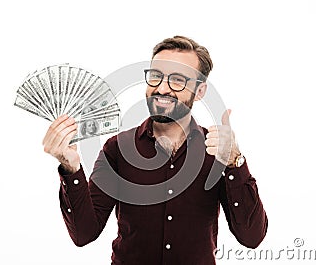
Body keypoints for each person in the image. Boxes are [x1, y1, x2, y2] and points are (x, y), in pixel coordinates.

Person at [42, 36, 268, 265]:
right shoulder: (117, 148)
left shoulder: (217, 151)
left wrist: (234, 162)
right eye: (156, 76)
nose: (162, 88)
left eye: (177, 80)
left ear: (199, 91)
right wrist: (71, 169)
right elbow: (84, 234)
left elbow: (251, 237)